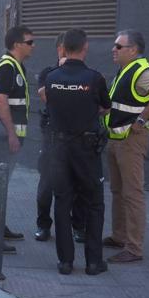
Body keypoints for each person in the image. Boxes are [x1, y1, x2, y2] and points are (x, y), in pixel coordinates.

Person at [44, 28, 111, 276]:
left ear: (64, 48)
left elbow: (50, 103)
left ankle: (65, 262)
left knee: (62, 202)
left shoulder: (51, 77)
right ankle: (94, 262)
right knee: (94, 203)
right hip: (87, 149)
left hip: (60, 149)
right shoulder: (95, 78)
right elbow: (105, 107)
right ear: (85, 48)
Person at [103, 29, 149, 263]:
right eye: (114, 45)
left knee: (132, 193)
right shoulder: (124, 71)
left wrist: (141, 120)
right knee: (118, 191)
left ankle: (134, 247)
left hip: (131, 142)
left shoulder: (141, 71)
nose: (114, 49)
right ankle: (120, 236)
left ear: (133, 50)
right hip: (117, 140)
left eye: (119, 46)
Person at [0, 26, 34, 254]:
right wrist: (11, 133)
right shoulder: (7, 67)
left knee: (0, 184)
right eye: (30, 42)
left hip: (6, 136)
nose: (33, 46)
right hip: (2, 137)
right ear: (17, 44)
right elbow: (1, 101)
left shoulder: (15, 66)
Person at [35, 33, 87, 243]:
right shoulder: (48, 73)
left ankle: (77, 226)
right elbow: (47, 96)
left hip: (78, 136)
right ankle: (43, 225)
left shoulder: (87, 74)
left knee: (78, 184)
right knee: (46, 185)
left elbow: (93, 103)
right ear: (59, 50)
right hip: (53, 136)